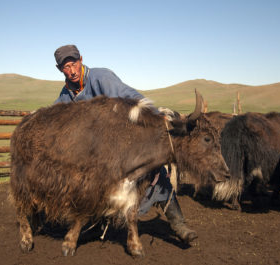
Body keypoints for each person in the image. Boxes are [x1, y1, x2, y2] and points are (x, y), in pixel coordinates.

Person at [53, 44, 197, 243]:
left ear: (81, 60)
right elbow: (55, 118)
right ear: (60, 69)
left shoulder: (100, 77)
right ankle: (98, 223)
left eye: (74, 64)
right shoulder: (65, 95)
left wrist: (155, 115)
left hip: (124, 140)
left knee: (155, 172)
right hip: (98, 152)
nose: (72, 71)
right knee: (93, 186)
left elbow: (129, 95)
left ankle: (178, 223)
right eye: (66, 67)